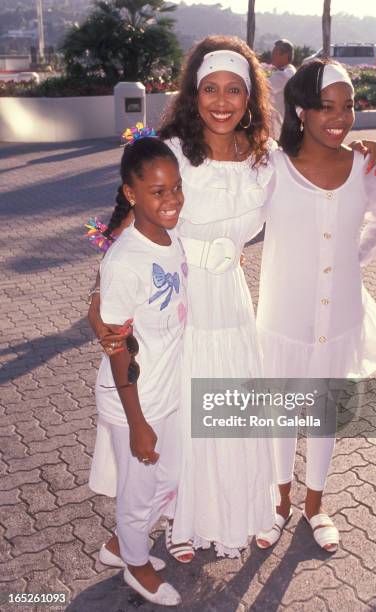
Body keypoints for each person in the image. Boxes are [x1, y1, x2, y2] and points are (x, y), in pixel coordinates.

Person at [88, 37, 376, 561]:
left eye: (234, 90)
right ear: (192, 94)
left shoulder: (265, 160)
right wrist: (99, 296)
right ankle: (181, 521)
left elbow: (316, 173)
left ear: (250, 98)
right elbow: (128, 219)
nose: (221, 101)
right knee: (180, 413)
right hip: (177, 301)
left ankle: (223, 513)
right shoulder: (174, 154)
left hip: (231, 299)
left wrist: (360, 151)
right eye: (210, 89)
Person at [255, 59, 376, 552]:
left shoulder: (366, 165)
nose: (340, 117)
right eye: (327, 107)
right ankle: (278, 504)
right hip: (282, 315)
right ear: (301, 110)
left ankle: (315, 505)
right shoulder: (271, 168)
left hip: (338, 316)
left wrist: (350, 262)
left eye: (348, 106)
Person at [88, 135, 187, 605]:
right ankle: (136, 565)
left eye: (176, 188)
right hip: (135, 399)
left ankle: (118, 547)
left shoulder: (169, 237)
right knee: (139, 491)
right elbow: (119, 349)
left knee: (167, 480)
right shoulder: (126, 260)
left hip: (165, 388)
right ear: (132, 194)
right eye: (158, 192)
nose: (171, 201)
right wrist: (138, 423)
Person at [267, 39, 296, 139]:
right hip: (279, 129)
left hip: (280, 131)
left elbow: (263, 86)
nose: (272, 56)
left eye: (275, 53)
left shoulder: (285, 74)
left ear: (284, 55)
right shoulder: (284, 71)